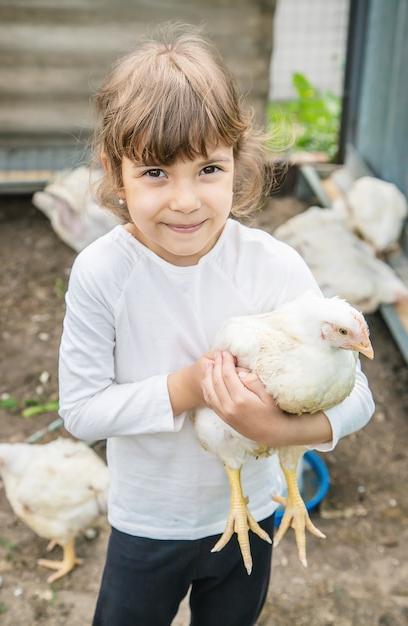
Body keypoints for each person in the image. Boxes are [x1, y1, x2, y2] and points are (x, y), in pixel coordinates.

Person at [58, 23, 375, 626]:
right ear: (113, 170)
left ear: (238, 161)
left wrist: (281, 429)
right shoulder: (102, 273)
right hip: (149, 522)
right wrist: (190, 387)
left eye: (208, 170)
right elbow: (81, 411)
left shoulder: (272, 265)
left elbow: (359, 395)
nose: (185, 200)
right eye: (155, 173)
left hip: (256, 508)